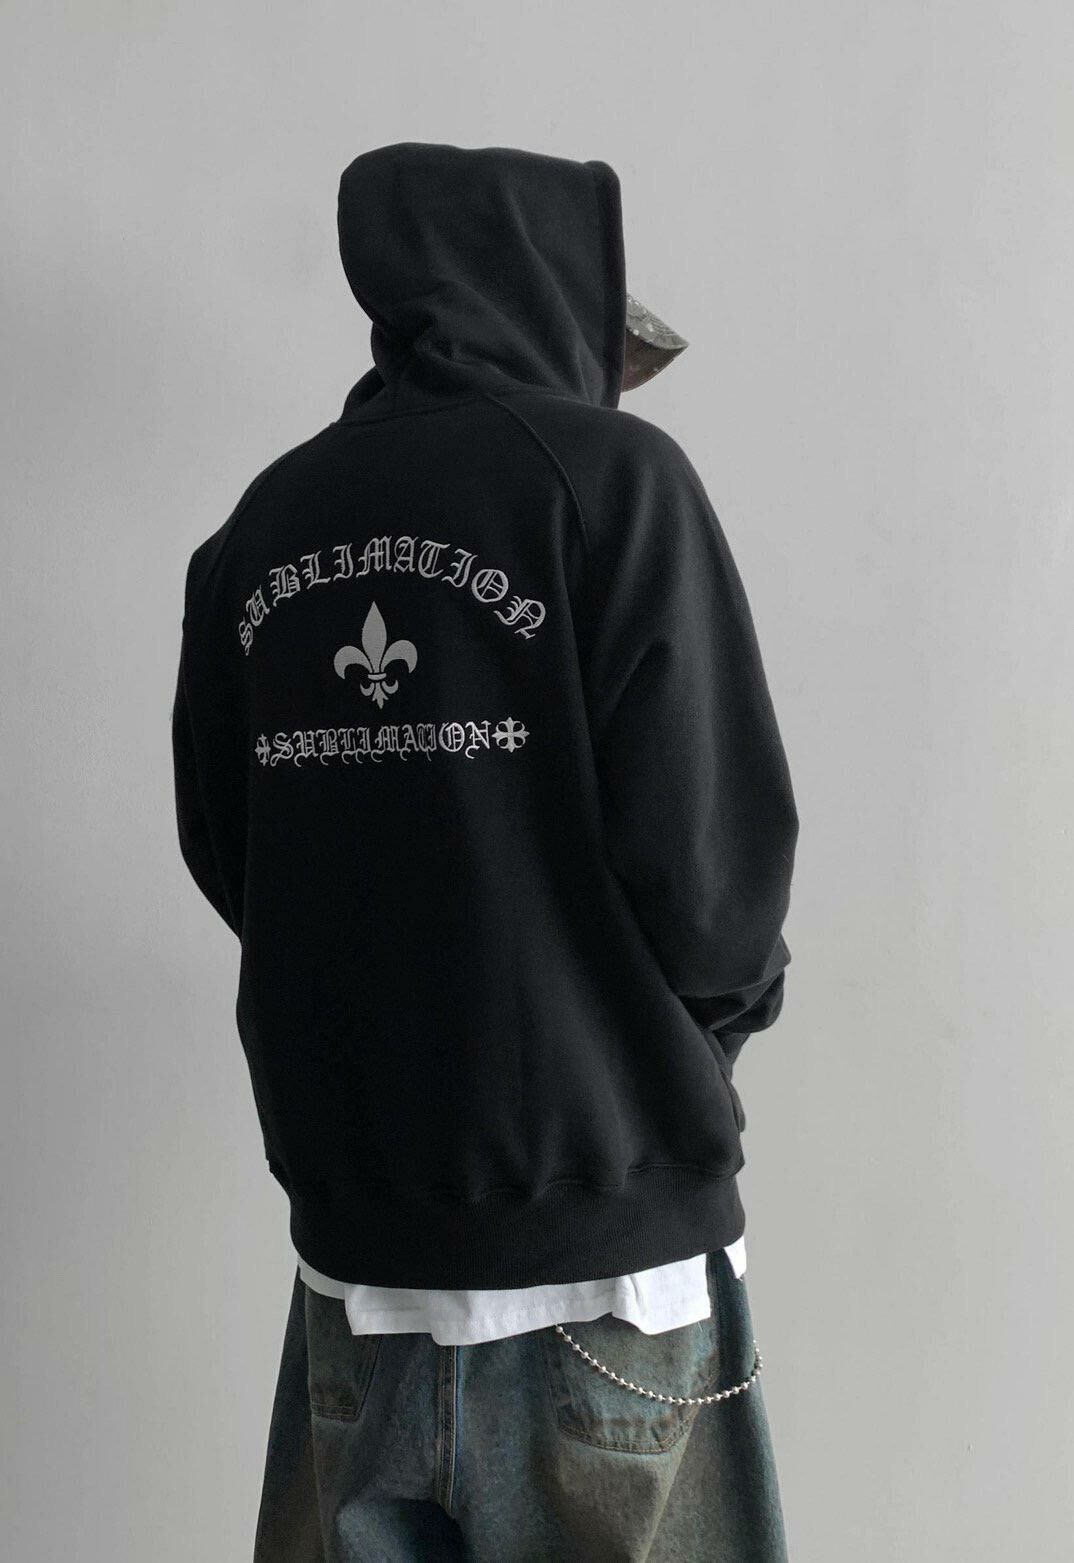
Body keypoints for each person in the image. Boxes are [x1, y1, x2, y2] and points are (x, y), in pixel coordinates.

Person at [172, 141, 799, 1561]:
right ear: (551, 291)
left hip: (361, 1267)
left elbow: (232, 852)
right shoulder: (613, 483)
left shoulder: (263, 527)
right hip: (608, 1265)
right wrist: (681, 1052)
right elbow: (713, 874)